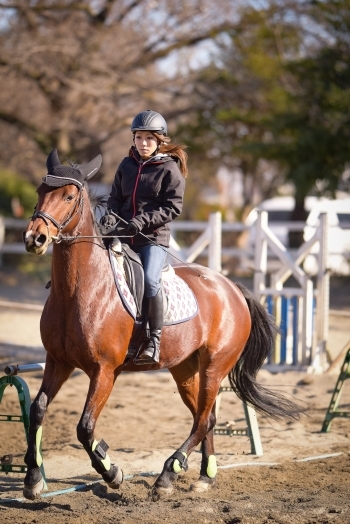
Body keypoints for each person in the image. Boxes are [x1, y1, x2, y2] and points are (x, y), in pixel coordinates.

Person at [100, 110, 187, 364]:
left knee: (149, 280)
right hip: (124, 235)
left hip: (153, 239)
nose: (143, 143)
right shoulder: (126, 165)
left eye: (149, 138)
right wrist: (111, 216)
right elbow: (115, 198)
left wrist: (141, 221)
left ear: (160, 140)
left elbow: (173, 208)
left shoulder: (169, 168)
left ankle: (154, 340)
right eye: (139, 138)